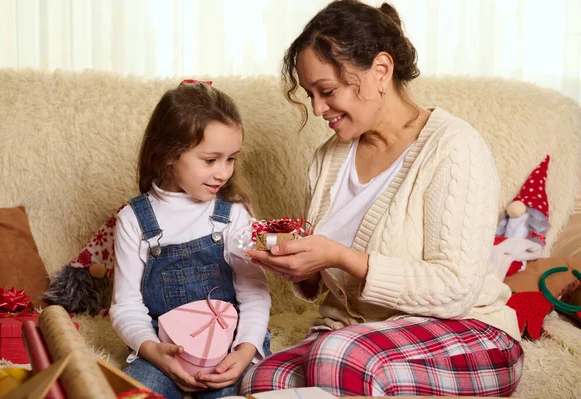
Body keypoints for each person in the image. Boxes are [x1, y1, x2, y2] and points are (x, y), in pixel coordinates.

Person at [241, 0, 523, 397]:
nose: (319, 109)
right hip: (358, 336)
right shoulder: (327, 160)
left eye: (327, 91)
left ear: (381, 71)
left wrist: (340, 256)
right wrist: (302, 269)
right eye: (310, 95)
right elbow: (328, 280)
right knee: (263, 380)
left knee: (336, 357)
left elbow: (455, 288)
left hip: (470, 333)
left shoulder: (454, 148)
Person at [110, 80, 271, 399]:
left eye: (231, 159)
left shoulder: (233, 213)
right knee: (134, 393)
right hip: (164, 350)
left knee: (227, 394)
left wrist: (244, 351)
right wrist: (153, 350)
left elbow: (253, 294)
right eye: (210, 160)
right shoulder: (133, 220)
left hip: (230, 345)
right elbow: (126, 306)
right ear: (169, 154)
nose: (223, 173)